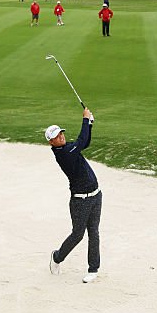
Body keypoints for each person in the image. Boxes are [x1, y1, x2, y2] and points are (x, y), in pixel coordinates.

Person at [46, 108, 102, 284]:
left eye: (61, 133)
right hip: (80, 200)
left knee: (94, 232)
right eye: (57, 136)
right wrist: (85, 120)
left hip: (96, 195)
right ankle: (57, 257)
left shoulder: (69, 147)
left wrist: (90, 124)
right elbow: (81, 140)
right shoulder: (62, 154)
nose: (61, 136)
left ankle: (93, 269)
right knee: (78, 234)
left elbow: (84, 143)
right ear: (51, 142)